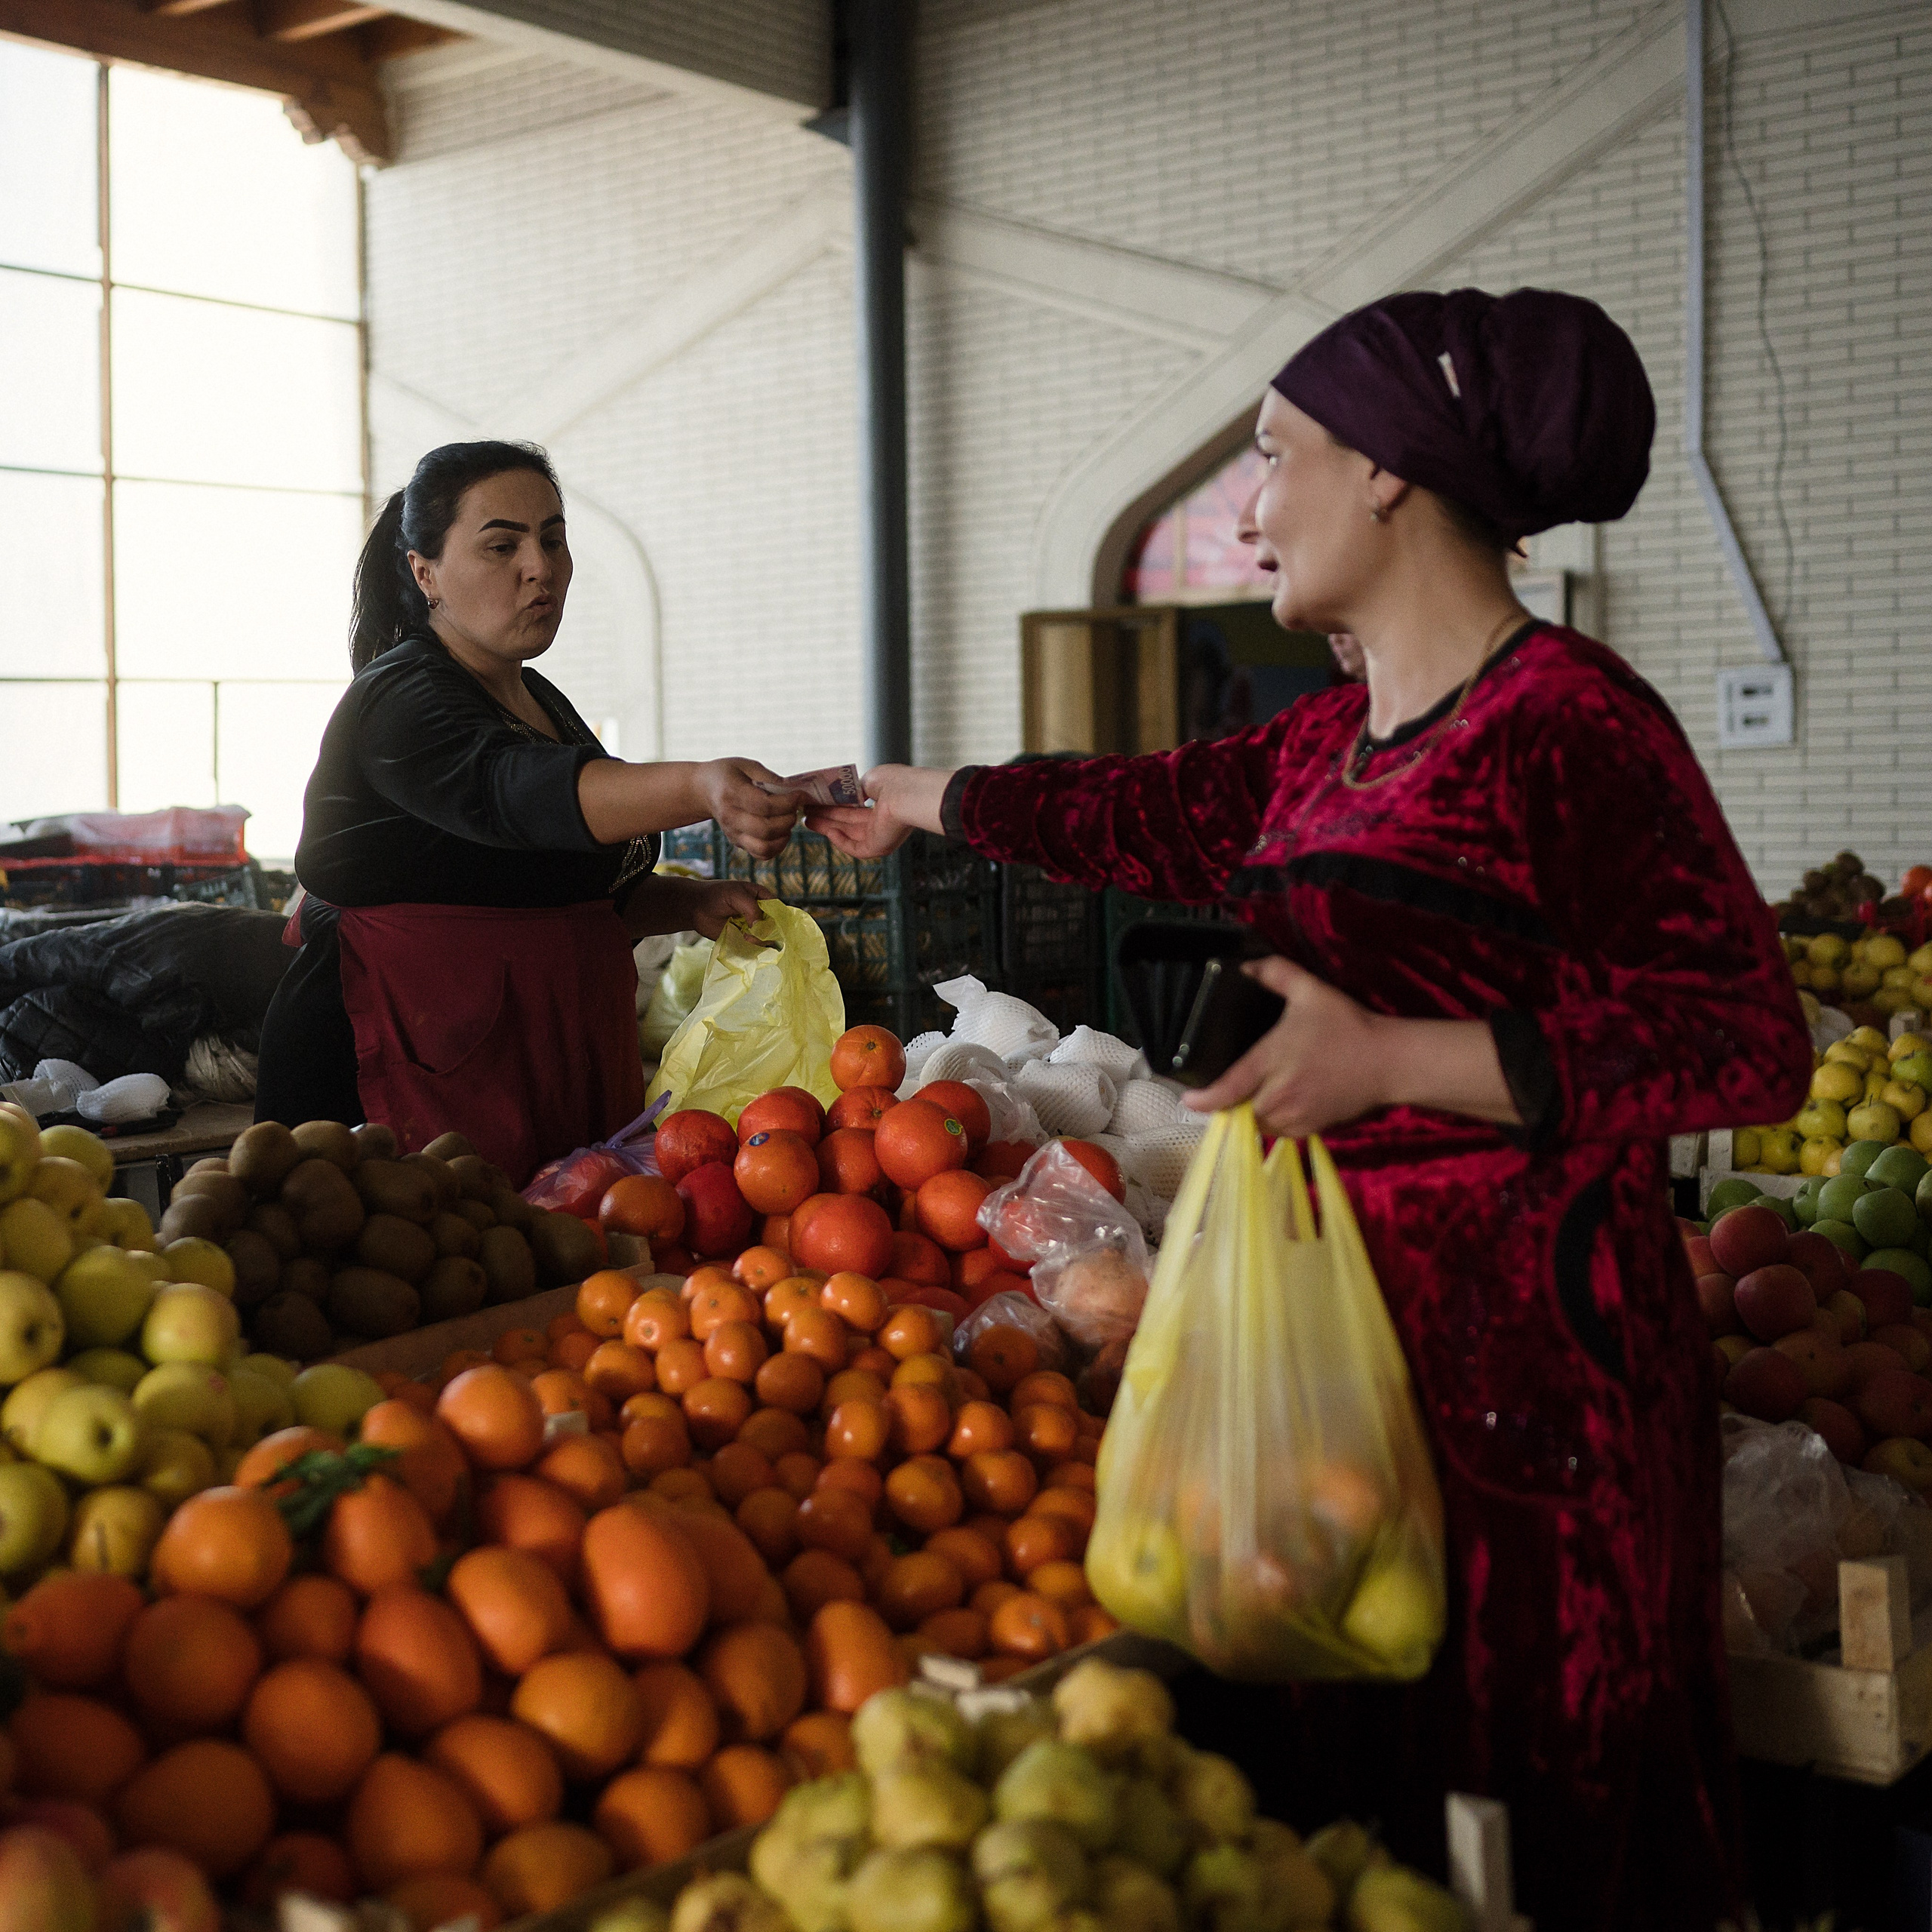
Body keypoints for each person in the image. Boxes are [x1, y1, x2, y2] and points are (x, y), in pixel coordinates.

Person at [811, 288, 1812, 1927]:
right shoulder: (1330, 742)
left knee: (1528, 1786)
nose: (1248, 506)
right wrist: (904, 798)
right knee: (1351, 1797)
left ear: (1390, 475)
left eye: (1272, 457)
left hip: (1531, 1374)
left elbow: (1738, 1037)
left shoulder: (1567, 721)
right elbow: (1136, 807)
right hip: (1334, 1350)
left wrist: (1391, 1059)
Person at [255, 441, 790, 1183]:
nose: (539, 567)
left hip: (543, 1053)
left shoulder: (540, 701)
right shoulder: (401, 698)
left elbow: (547, 887)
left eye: (553, 539)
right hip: (411, 1065)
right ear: (425, 571)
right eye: (501, 545)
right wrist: (700, 785)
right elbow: (514, 794)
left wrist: (690, 902)